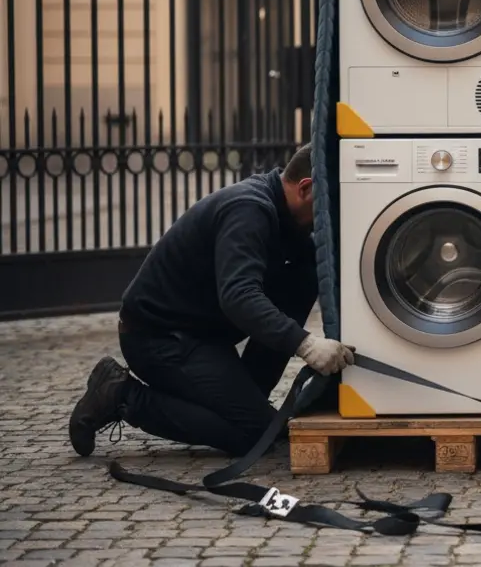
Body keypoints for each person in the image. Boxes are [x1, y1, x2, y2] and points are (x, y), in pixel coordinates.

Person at [67, 144, 355, 458]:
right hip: (158, 339)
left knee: (304, 273)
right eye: (329, 205)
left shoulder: (286, 219)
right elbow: (239, 297)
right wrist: (307, 345)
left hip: (201, 339)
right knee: (255, 433)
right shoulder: (249, 210)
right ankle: (121, 395)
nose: (333, 217)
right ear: (306, 188)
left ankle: (250, 401)